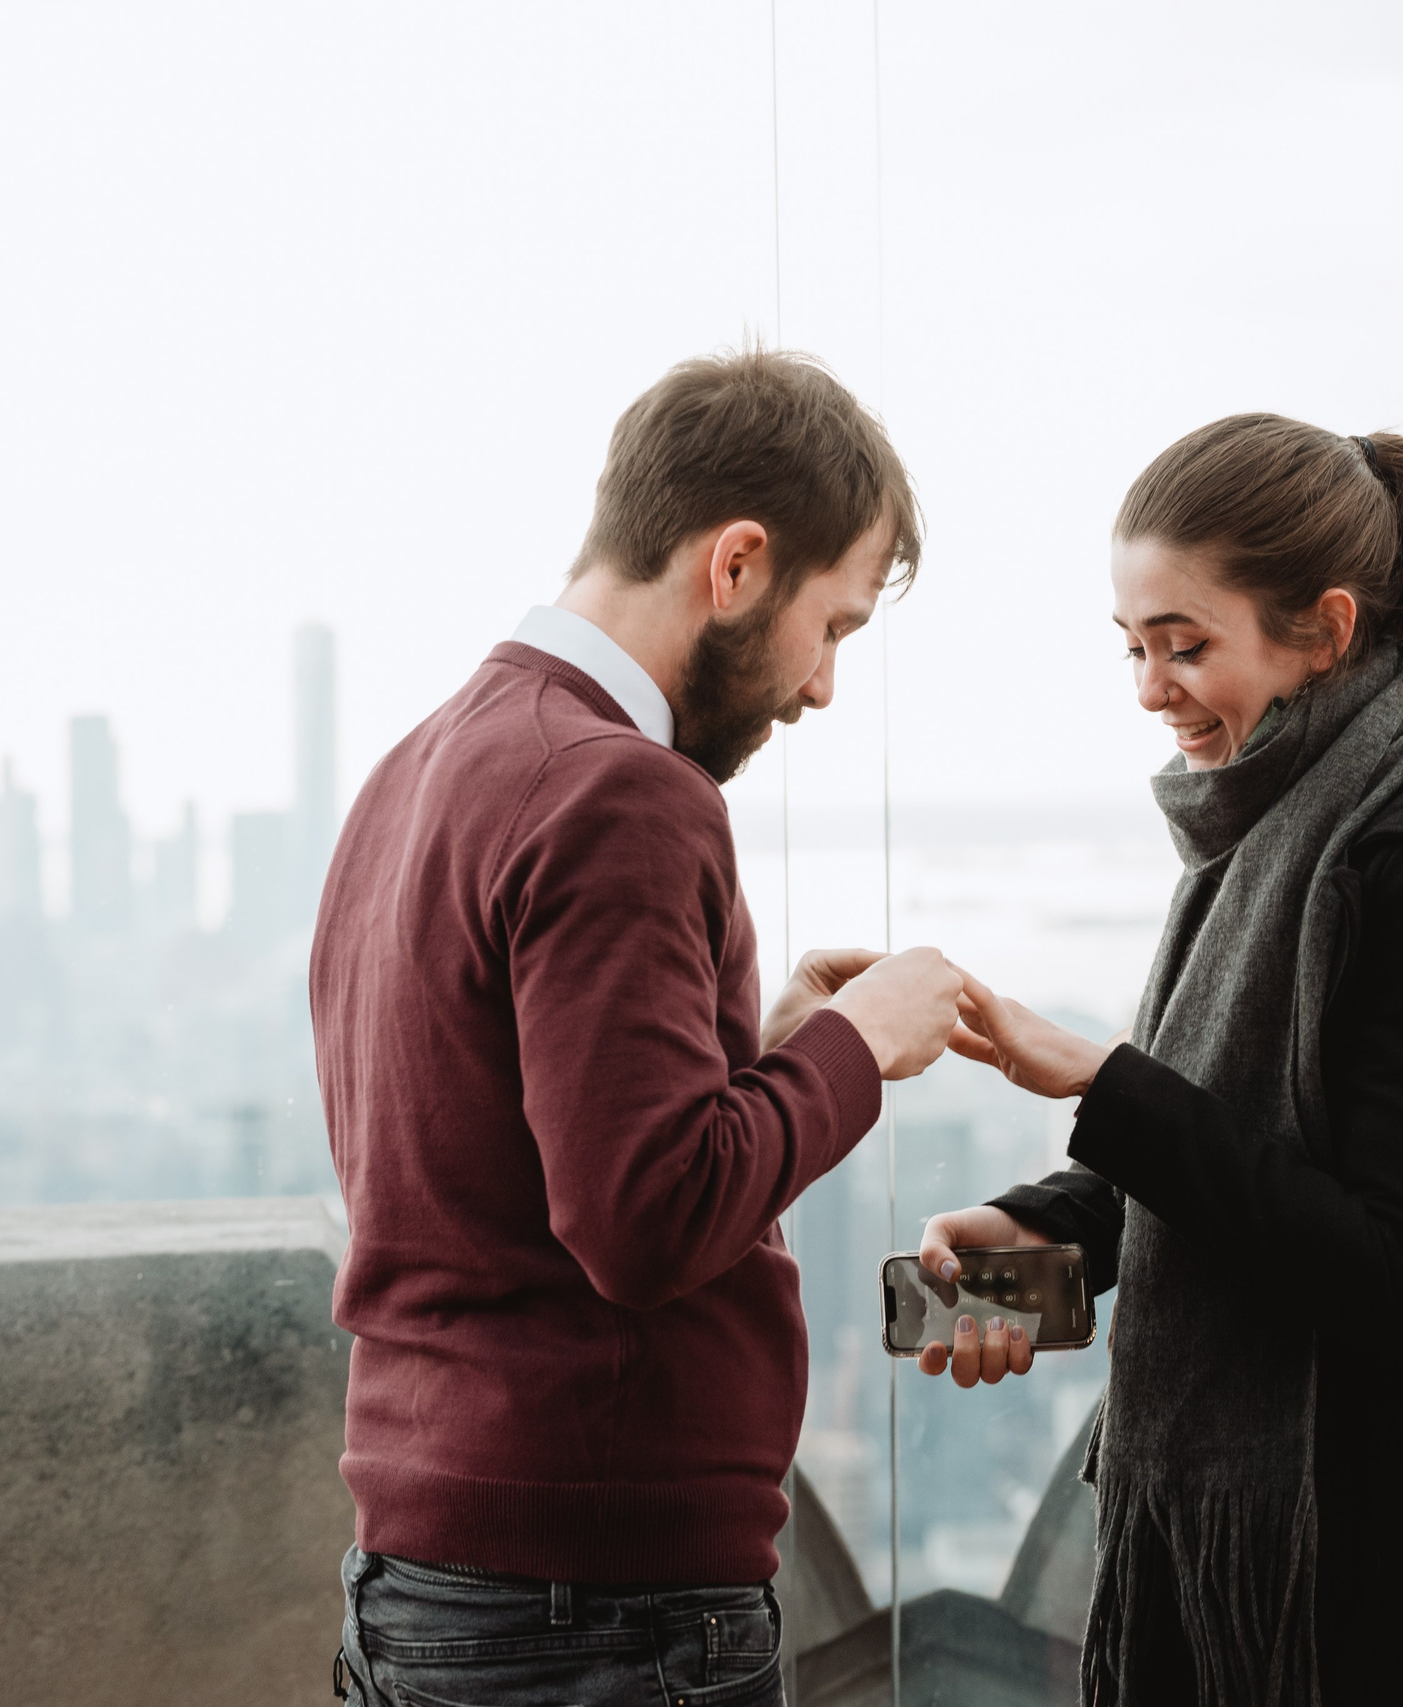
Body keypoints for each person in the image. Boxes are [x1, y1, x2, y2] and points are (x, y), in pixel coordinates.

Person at [314, 348, 967, 1707]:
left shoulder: (423, 766)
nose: (823, 686)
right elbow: (645, 1218)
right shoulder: (624, 792)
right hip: (596, 1615)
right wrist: (861, 1048)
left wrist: (771, 1047)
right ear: (735, 566)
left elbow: (502, 1139)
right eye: (832, 626)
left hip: (440, 1576)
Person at [917, 415, 1403, 1704]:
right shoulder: (1251, 854)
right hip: (1209, 1560)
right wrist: (1035, 1231)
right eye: (1134, 649)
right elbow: (1231, 1170)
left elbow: (1395, 1273)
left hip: (1333, 1591)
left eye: (1185, 646)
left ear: (1323, 631)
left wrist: (1106, 1085)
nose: (1151, 689)